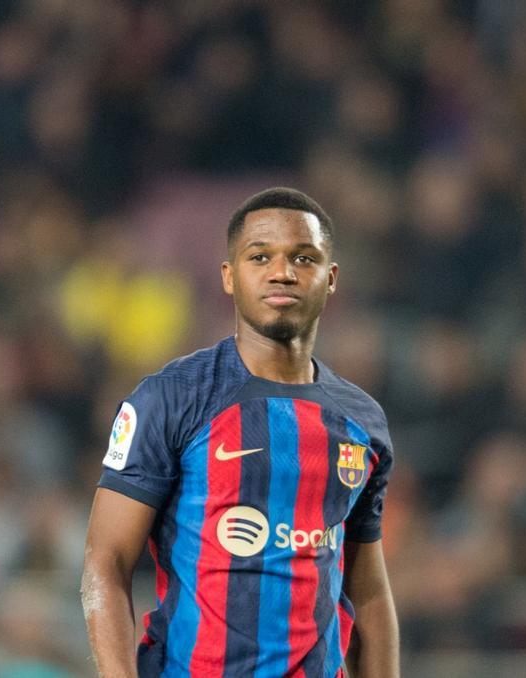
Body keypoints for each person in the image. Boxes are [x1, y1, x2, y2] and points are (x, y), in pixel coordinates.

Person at [81, 188, 399, 677]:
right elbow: (106, 560)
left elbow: (369, 590)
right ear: (229, 277)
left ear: (330, 278)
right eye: (260, 257)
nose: (282, 271)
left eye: (304, 257)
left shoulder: (363, 422)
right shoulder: (172, 399)